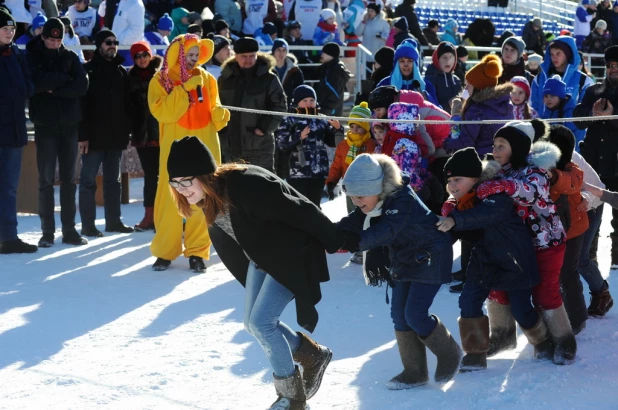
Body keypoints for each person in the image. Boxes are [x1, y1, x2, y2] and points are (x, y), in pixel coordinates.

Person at [167, 136, 343, 409]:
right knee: (253, 324)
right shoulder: (207, 196)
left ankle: (292, 397)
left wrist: (335, 239)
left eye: (186, 181)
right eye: (174, 183)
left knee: (262, 324)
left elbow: (300, 208)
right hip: (262, 259)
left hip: (290, 255)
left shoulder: (246, 184)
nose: (181, 189)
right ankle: (311, 354)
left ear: (203, 173)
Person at [337, 154, 462, 389]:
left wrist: (350, 243)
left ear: (376, 188)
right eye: (352, 196)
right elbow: (351, 222)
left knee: (415, 313)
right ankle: (415, 372)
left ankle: (449, 352)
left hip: (430, 256)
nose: (356, 201)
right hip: (406, 258)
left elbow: (386, 231)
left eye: (360, 196)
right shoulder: (375, 200)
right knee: (399, 315)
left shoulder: (401, 199)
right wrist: (325, 234)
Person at [438, 148, 551, 370]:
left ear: (475, 178)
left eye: (458, 179)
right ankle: (475, 352)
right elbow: (451, 231)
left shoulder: (494, 195)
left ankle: (542, 340)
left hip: (514, 260)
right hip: (484, 260)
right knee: (468, 301)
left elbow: (484, 216)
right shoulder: (460, 204)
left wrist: (454, 219)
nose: (452, 185)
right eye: (449, 180)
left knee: (520, 310)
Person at [477, 121, 576, 365]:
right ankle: (503, 335)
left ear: (519, 148)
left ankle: (563, 340)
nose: (495, 150)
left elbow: (530, 192)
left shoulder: (537, 171)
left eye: (502, 146)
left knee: (544, 293)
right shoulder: (499, 171)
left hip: (545, 243)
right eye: (494, 145)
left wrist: (503, 185)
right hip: (514, 246)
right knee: (498, 289)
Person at [147, 34, 230, 272]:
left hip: (204, 143)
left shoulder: (207, 79)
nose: (194, 60)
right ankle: (164, 252)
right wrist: (183, 90)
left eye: (196, 55)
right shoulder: (160, 80)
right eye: (189, 55)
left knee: (203, 197)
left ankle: (197, 252)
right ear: (177, 55)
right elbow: (162, 113)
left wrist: (220, 116)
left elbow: (215, 107)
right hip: (174, 146)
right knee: (170, 197)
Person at [26, 17, 89, 248]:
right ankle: (47, 232)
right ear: (43, 37)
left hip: (69, 126)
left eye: (58, 39)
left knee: (69, 180)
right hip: (45, 126)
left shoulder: (70, 57)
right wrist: (64, 80)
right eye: (50, 39)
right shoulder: (33, 57)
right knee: (44, 180)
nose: (54, 43)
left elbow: (82, 86)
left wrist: (55, 88)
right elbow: (36, 84)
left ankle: (70, 230)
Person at [78, 30, 133, 237]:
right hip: (92, 138)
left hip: (115, 137)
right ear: (99, 45)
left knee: (113, 182)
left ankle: (114, 222)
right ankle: (88, 225)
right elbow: (81, 106)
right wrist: (82, 135)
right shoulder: (87, 70)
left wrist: (127, 132)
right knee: (88, 182)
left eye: (115, 42)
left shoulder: (121, 72)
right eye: (108, 42)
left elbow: (128, 106)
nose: (113, 45)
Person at [574, 45, 618, 269]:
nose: (613, 70)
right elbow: (577, 118)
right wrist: (592, 114)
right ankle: (587, 256)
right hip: (593, 161)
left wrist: (612, 116)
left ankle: (617, 258)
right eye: (610, 65)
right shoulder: (593, 91)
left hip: (617, 162)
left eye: (617, 66)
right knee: (590, 211)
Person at [544, 125, 590, 334]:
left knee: (568, 274)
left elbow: (569, 184)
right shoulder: (539, 170)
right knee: (550, 276)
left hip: (573, 232)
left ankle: (577, 317)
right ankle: (553, 315)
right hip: (549, 233)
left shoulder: (573, 170)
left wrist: (552, 175)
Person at [218, 37, 287, 172]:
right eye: (244, 56)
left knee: (262, 186)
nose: (248, 60)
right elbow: (217, 106)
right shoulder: (224, 79)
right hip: (230, 145)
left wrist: (263, 129)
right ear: (235, 56)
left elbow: (280, 106)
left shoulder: (269, 78)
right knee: (233, 188)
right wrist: (222, 131)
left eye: (252, 56)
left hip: (259, 146)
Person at [0, 8, 37, 254]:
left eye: (12, 29)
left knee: (10, 187)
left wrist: (23, 89)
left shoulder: (15, 52)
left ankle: (8, 236)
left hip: (14, 130)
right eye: (4, 28)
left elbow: (29, 86)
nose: (9, 32)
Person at [275, 85, 342, 205]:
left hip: (319, 172)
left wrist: (338, 130)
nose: (309, 103)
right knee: (298, 205)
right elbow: (281, 144)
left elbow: (332, 142)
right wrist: (298, 137)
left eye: (312, 100)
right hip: (297, 172)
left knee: (315, 204)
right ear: (297, 102)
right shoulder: (290, 119)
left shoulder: (322, 119)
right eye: (304, 101)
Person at [443, 54, 514, 157]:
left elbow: (464, 144)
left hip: (480, 159)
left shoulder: (476, 110)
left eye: (469, 84)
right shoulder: (505, 103)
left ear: (478, 87)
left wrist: (446, 142)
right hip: (501, 158)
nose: (465, 88)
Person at [127, 41, 161, 232]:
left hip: (162, 132)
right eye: (137, 56)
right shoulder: (129, 78)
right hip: (142, 135)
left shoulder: (162, 74)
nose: (142, 59)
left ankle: (167, 215)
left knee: (167, 176)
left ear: (150, 54)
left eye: (144, 54)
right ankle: (149, 216)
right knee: (150, 176)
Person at [530, 36, 594, 114]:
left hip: (569, 125)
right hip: (544, 125)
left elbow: (587, 112)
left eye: (558, 54)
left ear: (568, 54)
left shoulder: (584, 81)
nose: (554, 57)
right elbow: (533, 108)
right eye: (552, 54)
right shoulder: (539, 79)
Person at [378, 39, 439, 107]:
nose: (406, 64)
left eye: (410, 61)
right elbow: (374, 110)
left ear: (416, 64)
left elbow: (436, 110)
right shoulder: (385, 84)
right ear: (396, 64)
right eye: (402, 61)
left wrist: (426, 98)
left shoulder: (427, 86)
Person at [539, 75, 583, 144]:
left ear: (560, 97)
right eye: (546, 96)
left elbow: (577, 137)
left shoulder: (571, 113)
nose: (548, 99)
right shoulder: (545, 114)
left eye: (552, 95)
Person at [424, 42, 462, 115]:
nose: (448, 61)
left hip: (455, 122)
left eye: (451, 57)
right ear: (437, 59)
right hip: (437, 122)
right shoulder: (430, 79)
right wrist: (448, 104)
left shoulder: (457, 80)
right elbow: (429, 106)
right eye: (444, 57)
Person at [316, 42, 351, 116]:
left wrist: (325, 111)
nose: (321, 55)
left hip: (330, 113)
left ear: (330, 55)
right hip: (332, 111)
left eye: (324, 53)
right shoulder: (329, 68)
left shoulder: (333, 71)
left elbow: (334, 94)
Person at [111, 0, 145, 67]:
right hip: (119, 49)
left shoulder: (136, 5)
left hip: (129, 51)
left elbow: (137, 29)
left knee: (128, 76)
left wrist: (118, 41)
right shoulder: (122, 2)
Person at [271, 38, 304, 106]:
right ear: (273, 51)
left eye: (284, 50)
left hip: (288, 106)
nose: (281, 53)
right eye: (278, 50)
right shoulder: (266, 68)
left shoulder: (295, 70)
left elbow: (300, 90)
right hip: (269, 105)